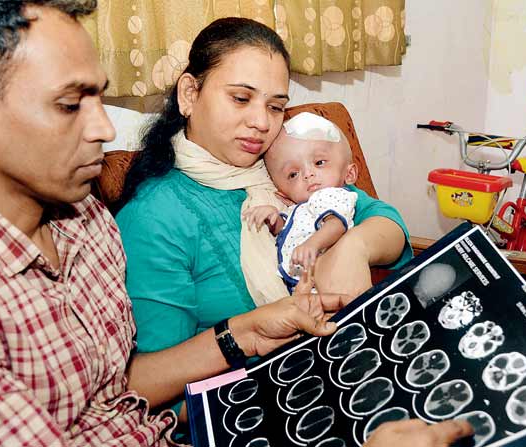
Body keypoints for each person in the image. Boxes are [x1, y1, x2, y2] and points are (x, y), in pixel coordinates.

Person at [0, 2, 474, 445]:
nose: (103, 128)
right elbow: (162, 395)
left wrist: (249, 331)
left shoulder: (85, 220)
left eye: (98, 98)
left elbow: (123, 390)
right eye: (71, 104)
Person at [116, 17, 412, 419]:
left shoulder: (279, 170)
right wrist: (253, 353)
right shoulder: (156, 217)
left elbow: (383, 220)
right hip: (257, 410)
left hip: (340, 379)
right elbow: (148, 388)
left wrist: (355, 246)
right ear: (189, 94)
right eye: (241, 98)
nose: (262, 122)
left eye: (275, 106)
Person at [243, 111, 360, 292]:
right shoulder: (300, 209)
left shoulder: (333, 196)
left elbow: (336, 225)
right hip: (302, 285)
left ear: (349, 174)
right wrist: (274, 218)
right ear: (283, 195)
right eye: (293, 174)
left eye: (319, 162)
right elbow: (289, 232)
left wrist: (313, 244)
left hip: (332, 280)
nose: (307, 174)